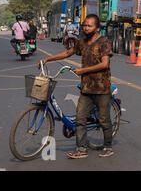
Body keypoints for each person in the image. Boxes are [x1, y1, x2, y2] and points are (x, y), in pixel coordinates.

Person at [40, 14, 114, 159]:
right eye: (84, 25)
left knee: (104, 120)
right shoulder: (82, 42)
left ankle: (108, 146)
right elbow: (68, 52)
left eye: (89, 25)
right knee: (80, 119)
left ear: (97, 28)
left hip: (101, 88)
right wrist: (47, 59)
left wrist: (83, 71)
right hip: (86, 88)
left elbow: (105, 64)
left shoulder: (104, 42)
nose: (86, 28)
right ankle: (81, 149)